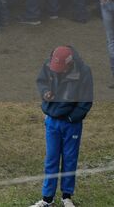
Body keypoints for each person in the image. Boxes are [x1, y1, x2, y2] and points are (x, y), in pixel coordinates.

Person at [32, 45, 94, 207]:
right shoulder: (49, 65)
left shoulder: (84, 72)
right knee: (51, 159)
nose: (57, 71)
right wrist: (45, 92)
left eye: (61, 69)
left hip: (71, 123)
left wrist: (72, 118)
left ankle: (67, 197)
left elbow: (86, 99)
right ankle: (47, 199)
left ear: (70, 62)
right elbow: (42, 81)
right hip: (52, 121)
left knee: (69, 159)